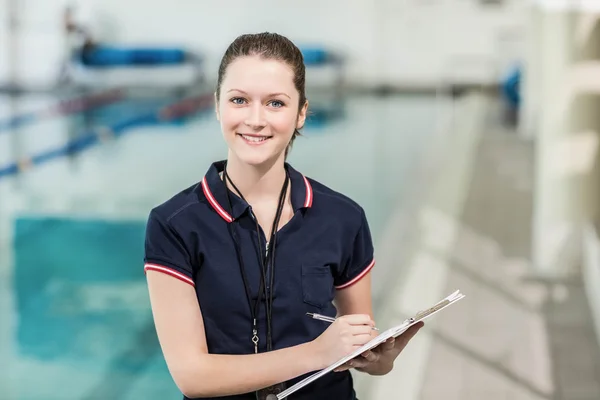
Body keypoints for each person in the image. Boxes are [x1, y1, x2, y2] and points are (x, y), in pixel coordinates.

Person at [143, 32, 423, 400]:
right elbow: (192, 376)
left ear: (301, 113)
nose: (256, 119)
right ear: (217, 106)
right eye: (239, 100)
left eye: (275, 103)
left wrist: (378, 357)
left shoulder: (343, 217)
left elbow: (360, 347)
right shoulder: (175, 224)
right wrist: (316, 353)